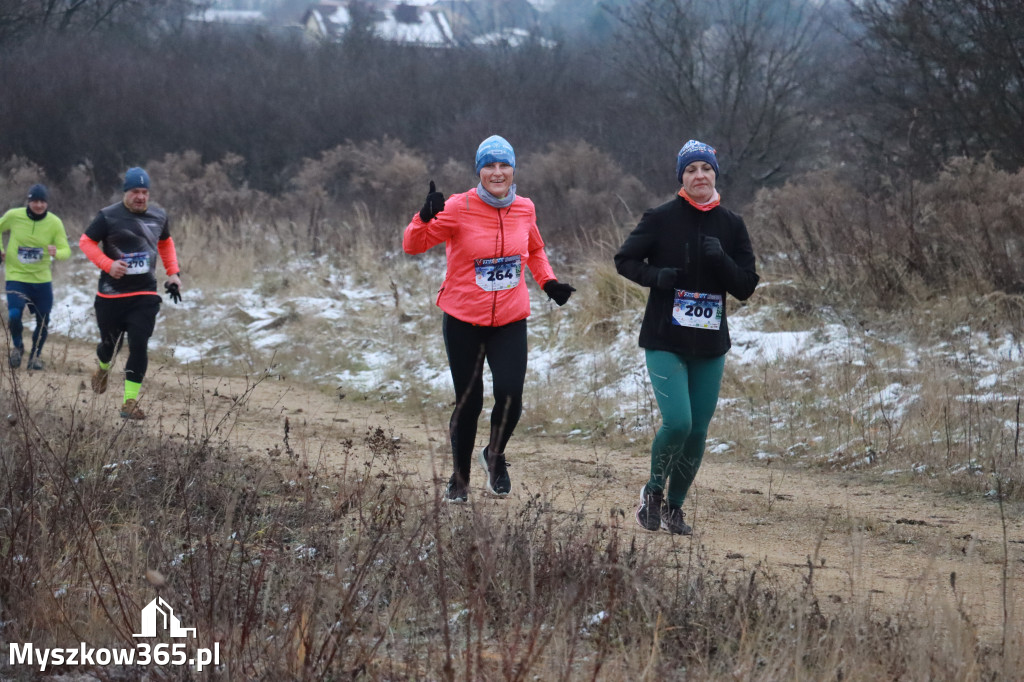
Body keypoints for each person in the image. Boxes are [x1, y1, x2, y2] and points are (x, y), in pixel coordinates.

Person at [403, 135, 576, 503]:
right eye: (489, 166)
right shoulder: (457, 207)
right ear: (479, 170)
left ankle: (494, 456)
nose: (497, 173)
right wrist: (424, 216)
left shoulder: (525, 208)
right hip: (464, 319)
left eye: (504, 165)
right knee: (470, 402)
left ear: (513, 169)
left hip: (510, 319)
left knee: (511, 395)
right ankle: (460, 479)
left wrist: (548, 282)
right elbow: (412, 245)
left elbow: (534, 248)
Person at [614, 140, 759, 535]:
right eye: (691, 169)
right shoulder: (660, 218)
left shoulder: (731, 224)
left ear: (715, 174)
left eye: (706, 169)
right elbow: (624, 260)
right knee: (678, 422)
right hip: (665, 339)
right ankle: (653, 492)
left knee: (697, 431)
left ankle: (675, 507)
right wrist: (655, 277)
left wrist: (721, 260)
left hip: (710, 346)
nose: (700, 176)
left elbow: (746, 285)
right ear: (681, 177)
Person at [79, 167, 183, 420]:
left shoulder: (158, 216)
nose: (141, 197)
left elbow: (165, 242)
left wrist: (173, 273)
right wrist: (108, 264)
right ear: (126, 192)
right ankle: (103, 368)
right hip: (110, 297)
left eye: (145, 192)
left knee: (139, 344)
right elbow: (86, 242)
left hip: (144, 296)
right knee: (110, 348)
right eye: (135, 191)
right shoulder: (108, 216)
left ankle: (129, 402)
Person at [0, 184, 72, 370]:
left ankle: (35, 357)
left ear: (47, 203)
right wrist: (0, 249)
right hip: (17, 276)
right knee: (14, 314)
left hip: (41, 279)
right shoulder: (14, 216)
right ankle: (18, 347)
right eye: (35, 201)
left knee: (44, 318)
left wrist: (57, 252)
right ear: (29, 201)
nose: (39, 205)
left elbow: (66, 251)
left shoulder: (55, 223)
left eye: (42, 201)